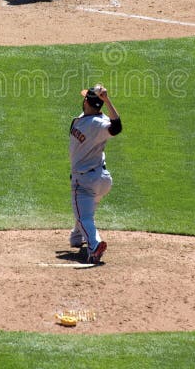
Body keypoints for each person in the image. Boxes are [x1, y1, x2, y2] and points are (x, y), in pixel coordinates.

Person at [68, 84, 122, 265]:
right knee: (85, 209)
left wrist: (106, 100)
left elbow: (117, 127)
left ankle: (94, 246)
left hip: (85, 179)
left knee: (85, 216)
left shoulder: (98, 124)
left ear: (87, 102)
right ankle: (77, 236)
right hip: (102, 180)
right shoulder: (91, 118)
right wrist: (102, 100)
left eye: (85, 98)